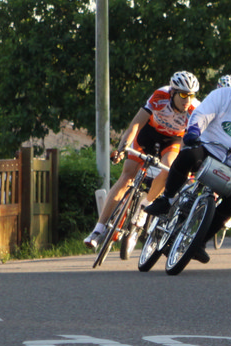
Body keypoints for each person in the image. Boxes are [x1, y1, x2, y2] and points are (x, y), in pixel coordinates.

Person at [143, 58, 231, 265]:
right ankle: (166, 199)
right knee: (187, 156)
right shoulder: (223, 95)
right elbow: (202, 114)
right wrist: (193, 131)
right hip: (208, 149)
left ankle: (199, 243)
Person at [84, 70, 200, 249]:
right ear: (172, 92)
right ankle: (98, 230)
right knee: (126, 176)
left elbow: (191, 142)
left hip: (173, 140)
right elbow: (136, 124)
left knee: (169, 168)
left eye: (191, 95)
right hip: (148, 134)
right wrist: (122, 149)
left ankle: (145, 207)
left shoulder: (195, 110)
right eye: (183, 95)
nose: (187, 100)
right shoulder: (160, 96)